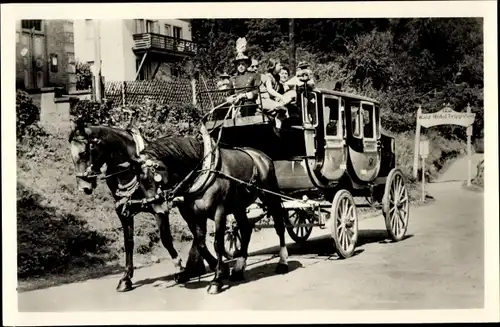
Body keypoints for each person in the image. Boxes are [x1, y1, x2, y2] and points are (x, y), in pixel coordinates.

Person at [225, 53, 261, 117]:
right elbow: (228, 93)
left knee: (246, 107)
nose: (240, 66)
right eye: (238, 64)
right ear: (236, 66)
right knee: (219, 107)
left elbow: (256, 91)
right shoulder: (232, 78)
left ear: (247, 65)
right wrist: (229, 98)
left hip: (248, 102)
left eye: (243, 64)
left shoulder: (254, 75)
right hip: (235, 102)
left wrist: (244, 95)